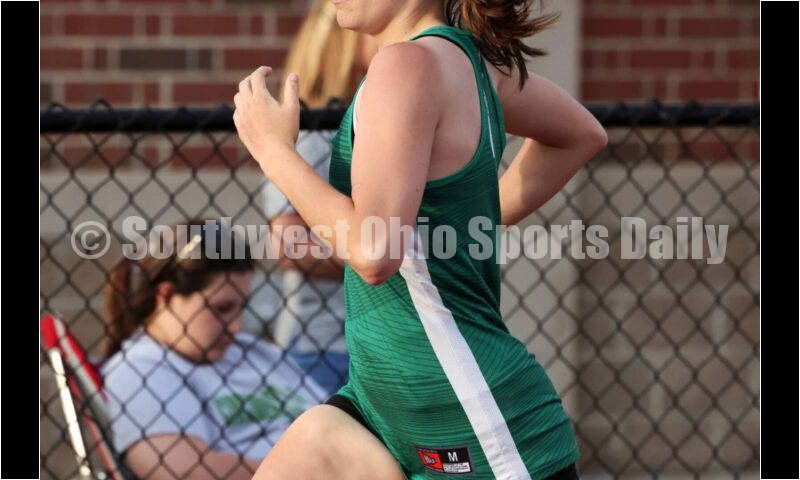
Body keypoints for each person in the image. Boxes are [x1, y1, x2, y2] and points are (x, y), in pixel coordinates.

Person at [232, 0, 608, 477]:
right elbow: (581, 134)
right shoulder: (468, 61)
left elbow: (373, 254)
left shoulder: (404, 65)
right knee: (309, 446)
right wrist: (455, 231)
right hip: (383, 401)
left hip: (468, 418)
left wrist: (272, 150)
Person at [100, 221, 327, 480]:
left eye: (241, 308)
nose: (236, 326)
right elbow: (183, 471)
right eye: (221, 309)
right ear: (166, 296)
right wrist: (322, 471)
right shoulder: (140, 369)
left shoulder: (255, 353)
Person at [261, 0, 378, 395]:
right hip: (323, 345)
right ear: (343, 44)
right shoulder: (315, 133)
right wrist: (394, 257)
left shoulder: (368, 125)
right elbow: (290, 245)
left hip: (369, 341)